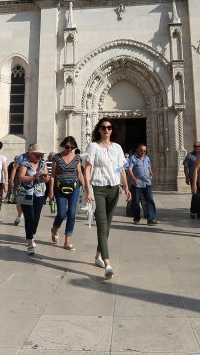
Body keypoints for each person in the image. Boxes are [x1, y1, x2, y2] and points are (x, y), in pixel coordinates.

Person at [84, 117, 131, 279]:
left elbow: (121, 169)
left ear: (112, 130)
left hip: (114, 189)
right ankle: (108, 263)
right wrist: (88, 189)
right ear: (99, 129)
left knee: (108, 226)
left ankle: (97, 256)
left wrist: (126, 186)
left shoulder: (117, 147)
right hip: (98, 188)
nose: (106, 130)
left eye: (109, 128)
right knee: (102, 225)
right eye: (103, 127)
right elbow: (87, 169)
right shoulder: (93, 147)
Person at [49, 136, 84, 250]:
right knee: (62, 214)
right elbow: (53, 175)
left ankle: (67, 241)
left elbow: (79, 174)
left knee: (72, 214)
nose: (70, 149)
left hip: (74, 187)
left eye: (72, 147)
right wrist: (51, 191)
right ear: (64, 145)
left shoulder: (77, 158)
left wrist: (87, 189)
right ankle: (54, 229)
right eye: (68, 147)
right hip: (60, 188)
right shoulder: (57, 157)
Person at [17, 143, 50, 255]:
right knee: (29, 218)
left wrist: (45, 178)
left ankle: (31, 232)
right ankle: (30, 242)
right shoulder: (24, 163)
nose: (39, 157)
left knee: (36, 219)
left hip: (40, 193)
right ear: (31, 154)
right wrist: (33, 177)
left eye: (41, 155)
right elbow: (21, 177)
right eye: (37, 155)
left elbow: (47, 178)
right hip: (27, 193)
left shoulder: (43, 163)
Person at [126, 143, 159, 225]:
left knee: (150, 200)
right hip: (137, 184)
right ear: (137, 150)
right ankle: (136, 218)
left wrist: (150, 171)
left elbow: (148, 166)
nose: (143, 152)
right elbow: (130, 169)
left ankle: (151, 219)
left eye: (145, 150)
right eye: (141, 150)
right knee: (136, 202)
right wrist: (134, 179)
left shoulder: (147, 158)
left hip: (147, 183)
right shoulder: (133, 158)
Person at [183, 141, 200, 218]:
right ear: (193, 147)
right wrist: (187, 177)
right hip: (193, 179)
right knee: (196, 196)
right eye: (195, 146)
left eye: (198, 146)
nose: (197, 148)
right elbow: (186, 166)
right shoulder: (190, 156)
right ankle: (193, 211)